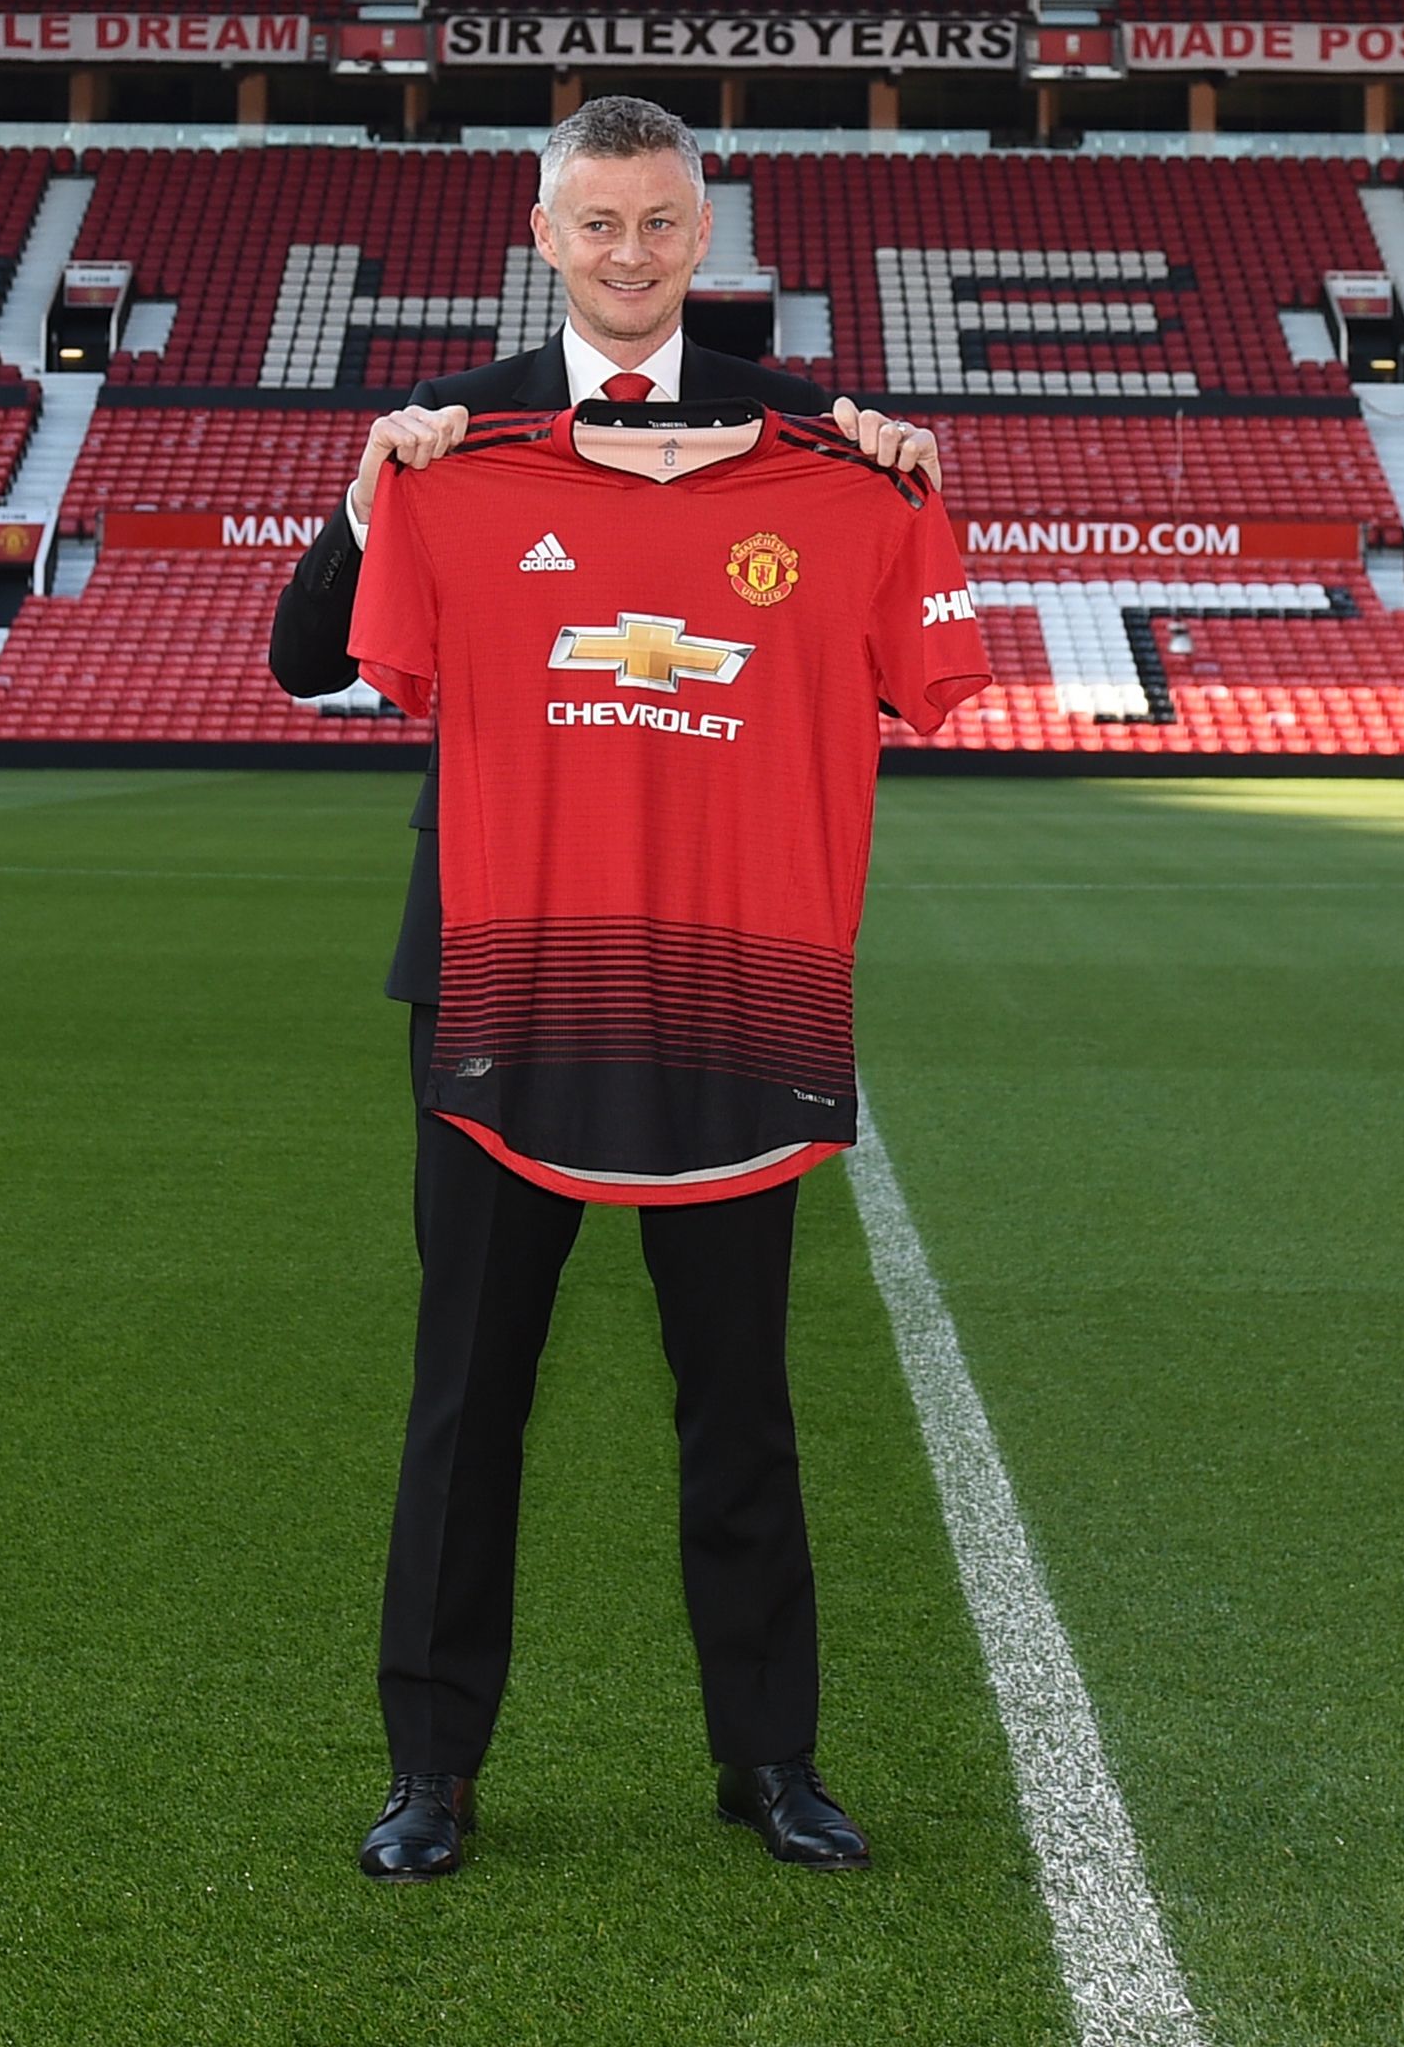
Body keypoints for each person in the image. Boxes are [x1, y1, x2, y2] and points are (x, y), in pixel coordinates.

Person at [267, 96, 944, 1883]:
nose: (629, 255)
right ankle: (433, 1770)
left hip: (724, 981)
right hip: (500, 979)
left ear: (700, 232)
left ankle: (771, 1761)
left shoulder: (818, 431)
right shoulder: (457, 428)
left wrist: (890, 463)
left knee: (740, 1390)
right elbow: (300, 661)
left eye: (658, 224)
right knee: (468, 1386)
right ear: (543, 230)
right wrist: (365, 493)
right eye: (597, 225)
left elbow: (896, 649)